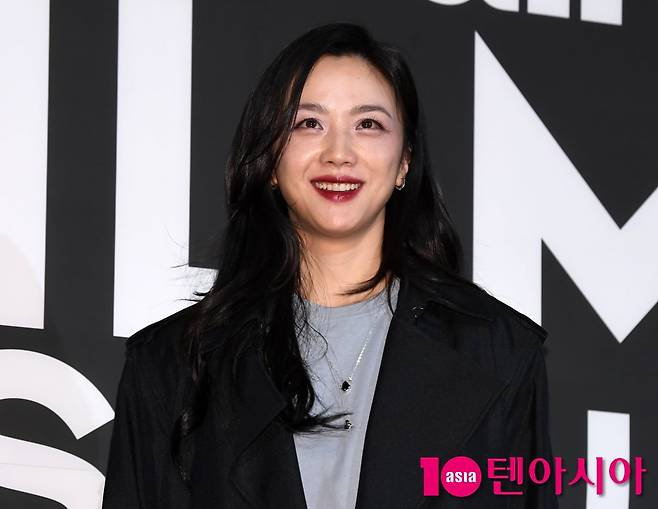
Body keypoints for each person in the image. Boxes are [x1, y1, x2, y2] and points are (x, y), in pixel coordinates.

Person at [101, 22, 559, 509]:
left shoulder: (498, 353)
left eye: (368, 124)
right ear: (270, 159)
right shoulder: (173, 365)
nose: (339, 153)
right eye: (308, 124)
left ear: (405, 161)